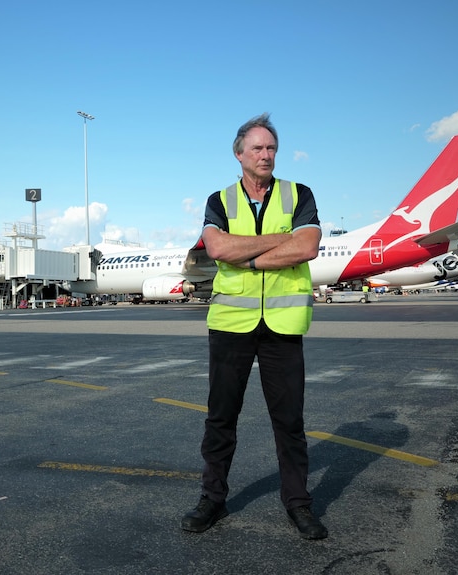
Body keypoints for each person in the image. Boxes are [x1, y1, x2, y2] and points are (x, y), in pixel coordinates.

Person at [181, 113, 327, 540]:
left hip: (283, 322)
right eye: (258, 148)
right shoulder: (219, 199)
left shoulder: (298, 194)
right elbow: (217, 247)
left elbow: (309, 246)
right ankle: (213, 499)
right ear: (239, 153)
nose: (266, 155)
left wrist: (246, 257)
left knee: (290, 421)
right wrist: (281, 242)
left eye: (272, 148)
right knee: (221, 417)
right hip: (231, 323)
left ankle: (299, 505)